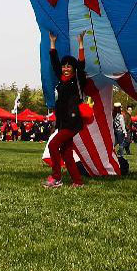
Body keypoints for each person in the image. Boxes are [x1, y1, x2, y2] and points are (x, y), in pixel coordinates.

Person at [44, 32, 89, 188]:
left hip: (73, 121)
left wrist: (81, 44)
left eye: (69, 66)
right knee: (66, 152)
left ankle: (56, 178)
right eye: (64, 66)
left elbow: (81, 65)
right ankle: (78, 182)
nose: (66, 68)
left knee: (52, 145)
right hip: (63, 122)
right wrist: (52, 43)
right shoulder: (61, 81)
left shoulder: (77, 80)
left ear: (73, 69)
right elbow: (55, 63)